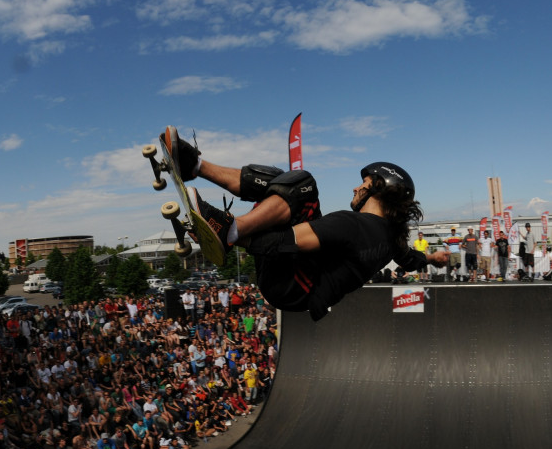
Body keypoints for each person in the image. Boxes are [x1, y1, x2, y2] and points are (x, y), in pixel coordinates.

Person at [163, 129, 448, 320]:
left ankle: (231, 226)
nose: (355, 188)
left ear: (377, 188)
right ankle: (194, 166)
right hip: (299, 289)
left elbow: (281, 244)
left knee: (302, 185)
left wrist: (230, 237)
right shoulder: (391, 238)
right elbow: (410, 259)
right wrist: (433, 258)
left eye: (363, 183)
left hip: (294, 283)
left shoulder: (351, 225)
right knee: (279, 180)